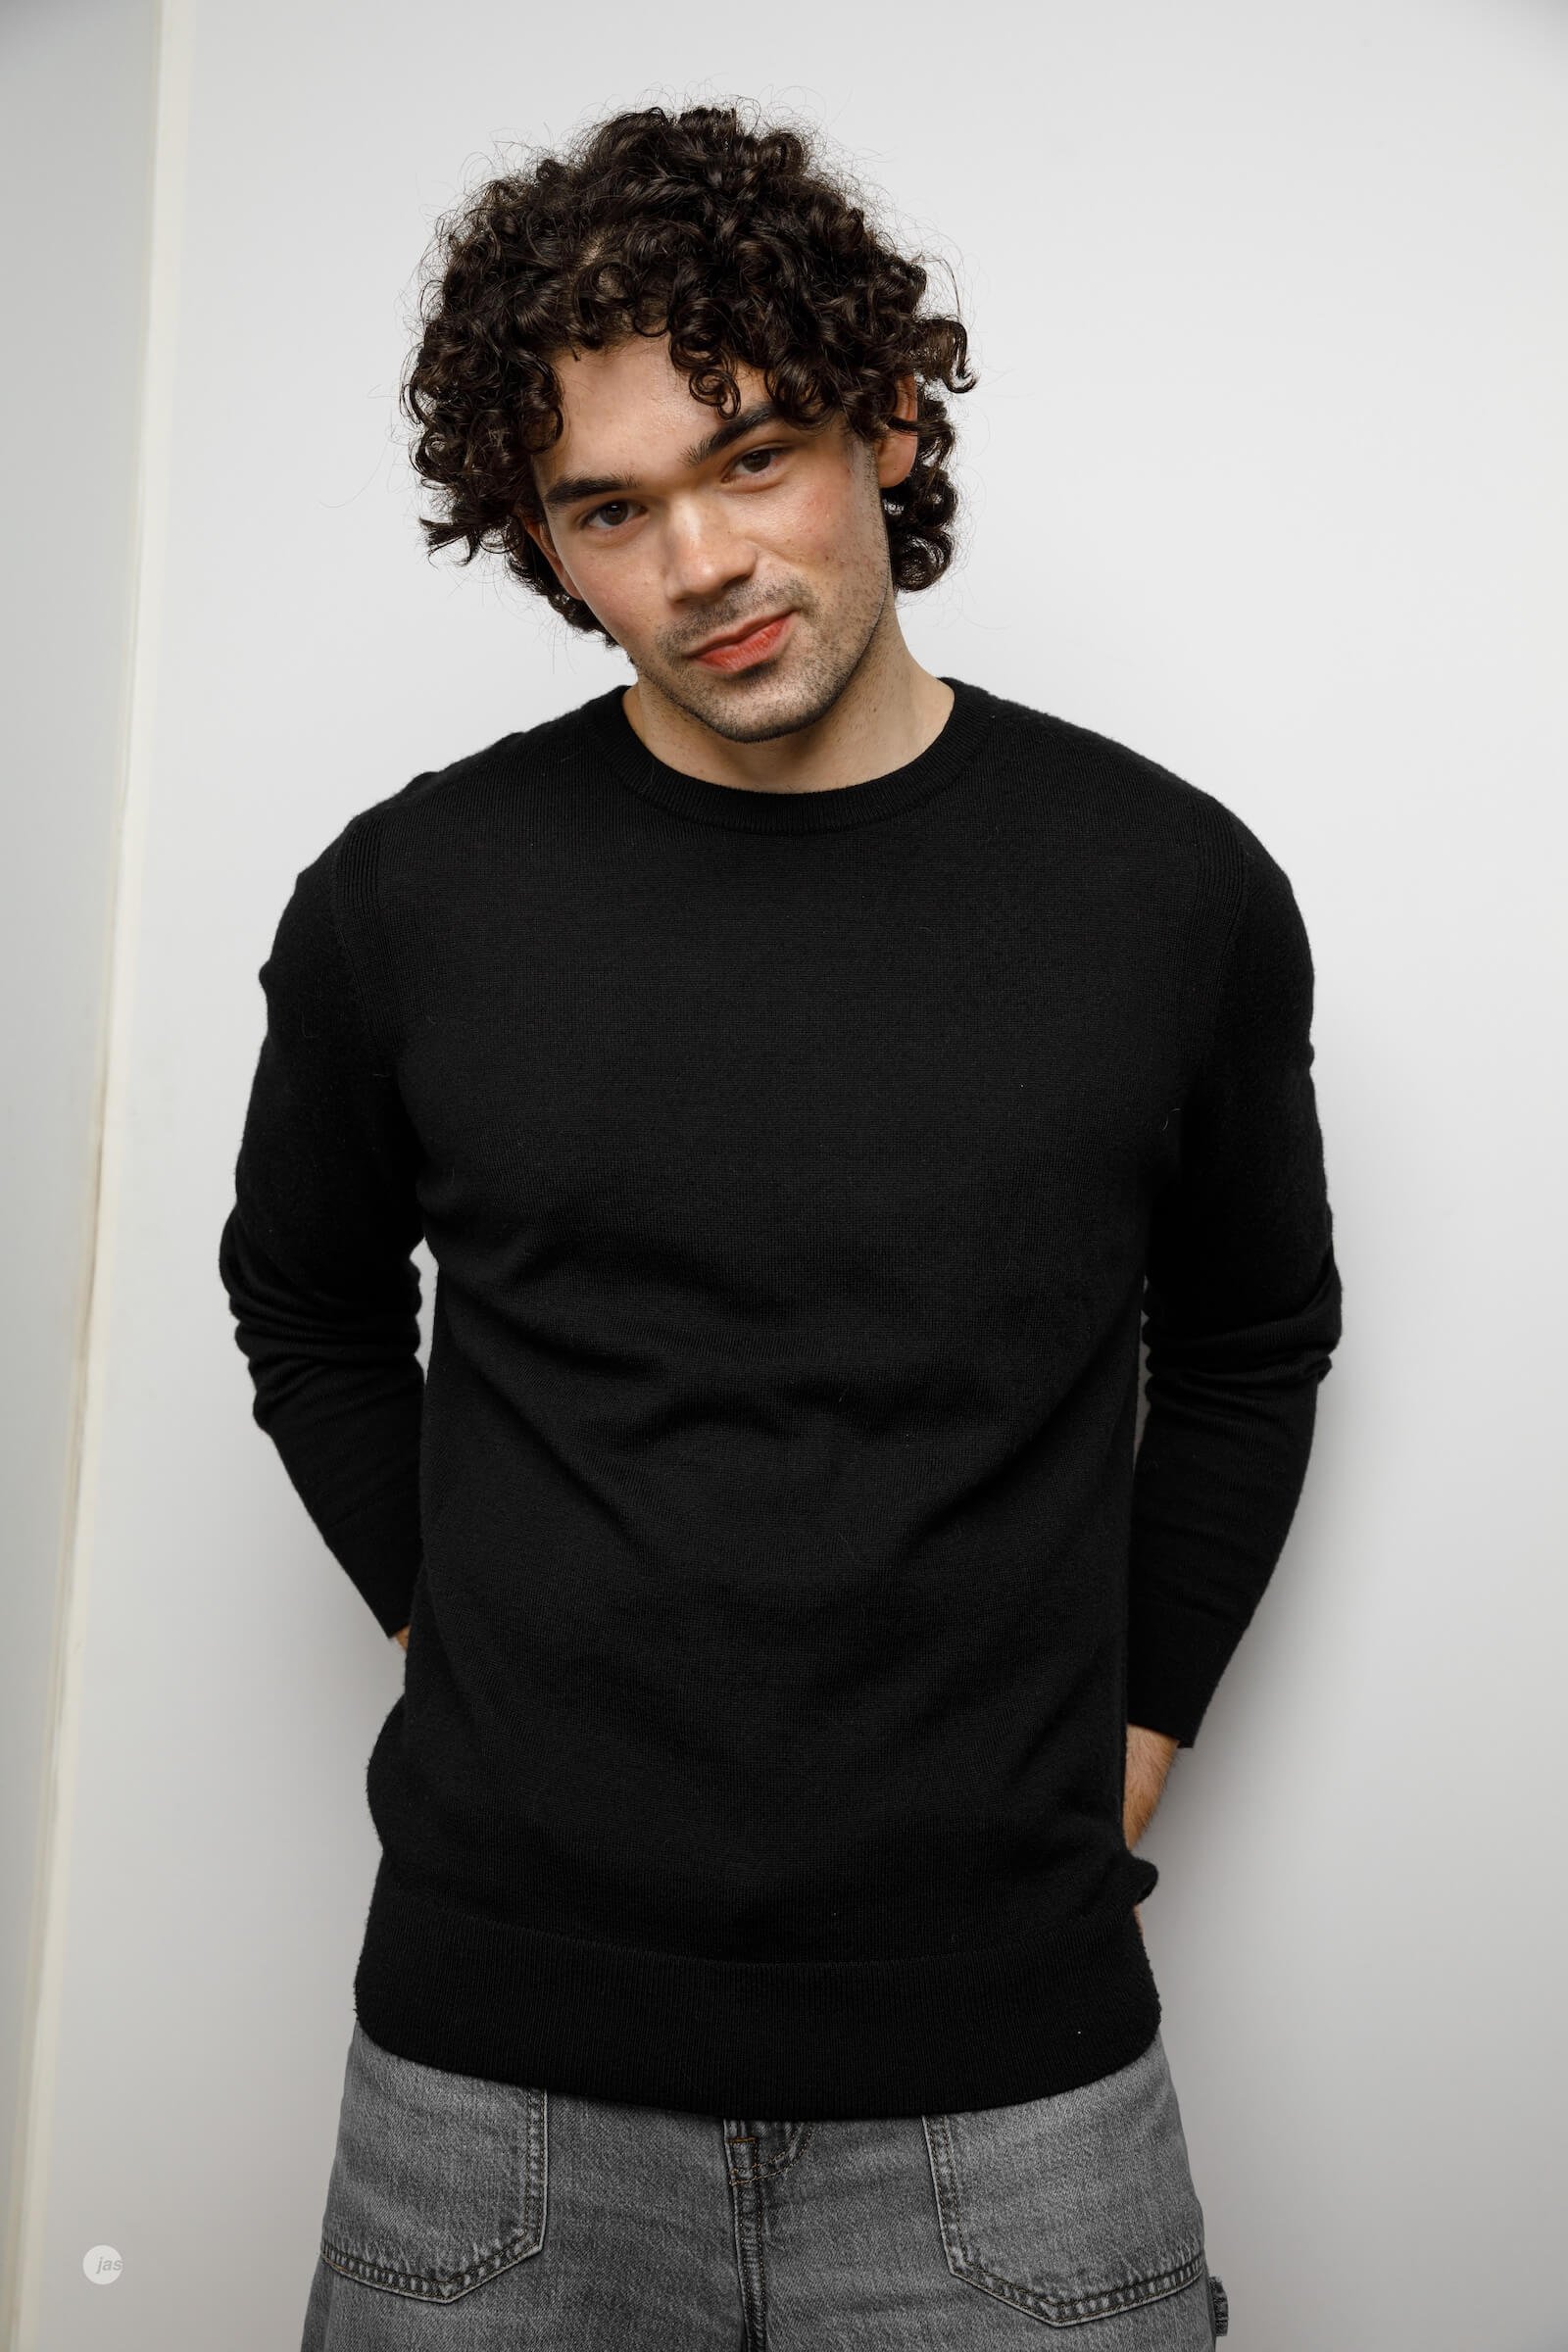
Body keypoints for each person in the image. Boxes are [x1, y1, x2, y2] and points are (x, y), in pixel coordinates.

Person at [220, 99, 1340, 2349]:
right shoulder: (409, 902)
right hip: (489, 2090)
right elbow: (305, 1303)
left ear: (886, 420)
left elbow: (1242, 1347)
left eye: (751, 458)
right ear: (546, 549)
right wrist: (462, 1634)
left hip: (1004, 2081)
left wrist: (1123, 1737)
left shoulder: (1163, 892)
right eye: (609, 511)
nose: (702, 563)